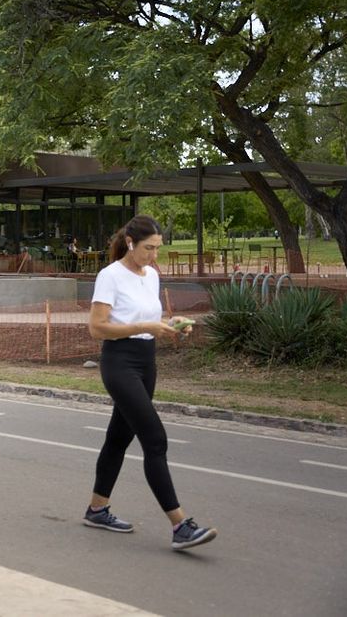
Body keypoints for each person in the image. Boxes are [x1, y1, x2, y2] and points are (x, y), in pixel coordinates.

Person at [84, 214, 216, 551]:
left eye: (158, 248)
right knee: (155, 440)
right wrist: (145, 325)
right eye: (148, 248)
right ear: (130, 243)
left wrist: (172, 324)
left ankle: (97, 509)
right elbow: (97, 328)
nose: (153, 256)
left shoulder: (151, 276)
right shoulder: (109, 276)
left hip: (146, 362)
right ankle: (181, 525)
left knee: (119, 437)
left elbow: (148, 320)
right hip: (119, 362)